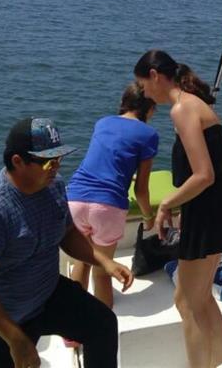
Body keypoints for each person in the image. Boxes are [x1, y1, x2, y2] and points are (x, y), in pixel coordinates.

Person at [0, 117, 134, 368]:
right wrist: (16, 341)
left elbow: (68, 232)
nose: (56, 167)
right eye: (49, 161)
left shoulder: (54, 185)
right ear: (18, 161)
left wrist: (104, 261)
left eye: (60, 159)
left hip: (45, 294)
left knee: (102, 324)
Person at [134, 50, 222, 368]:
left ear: (155, 75)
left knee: (191, 303)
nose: (144, 93)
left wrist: (167, 202)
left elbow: (203, 174)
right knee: (195, 298)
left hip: (209, 210)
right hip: (213, 206)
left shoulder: (182, 109)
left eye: (143, 84)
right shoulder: (193, 103)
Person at [68, 83, 159, 309]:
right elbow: (141, 190)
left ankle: (72, 329)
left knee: (83, 260)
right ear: (148, 108)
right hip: (107, 207)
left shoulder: (103, 122)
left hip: (74, 198)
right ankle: (100, 330)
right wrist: (149, 217)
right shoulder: (149, 134)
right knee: (102, 272)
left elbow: (107, 159)